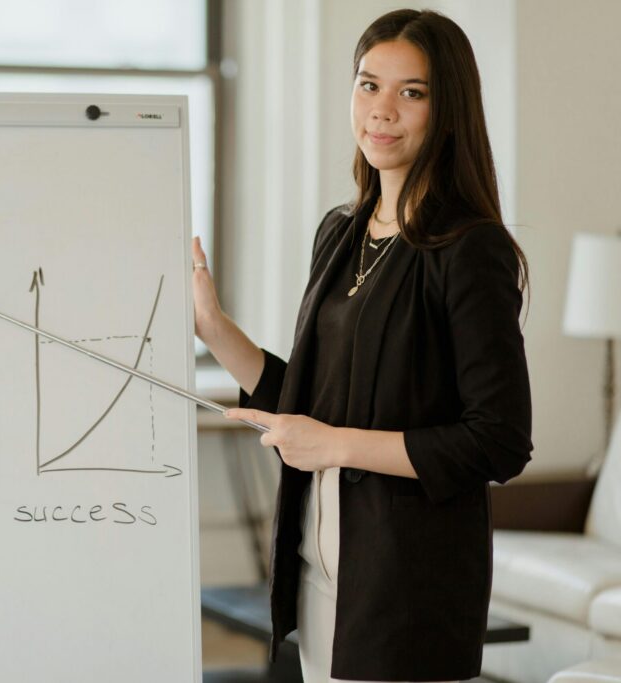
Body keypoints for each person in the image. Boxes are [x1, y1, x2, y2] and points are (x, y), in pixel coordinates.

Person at [192, 9, 533, 683]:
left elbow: (499, 438)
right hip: (324, 579)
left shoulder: (469, 249)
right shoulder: (342, 231)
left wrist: (338, 444)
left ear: (448, 109)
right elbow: (311, 400)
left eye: (412, 92)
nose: (382, 110)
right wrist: (212, 326)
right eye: (368, 84)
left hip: (410, 591)